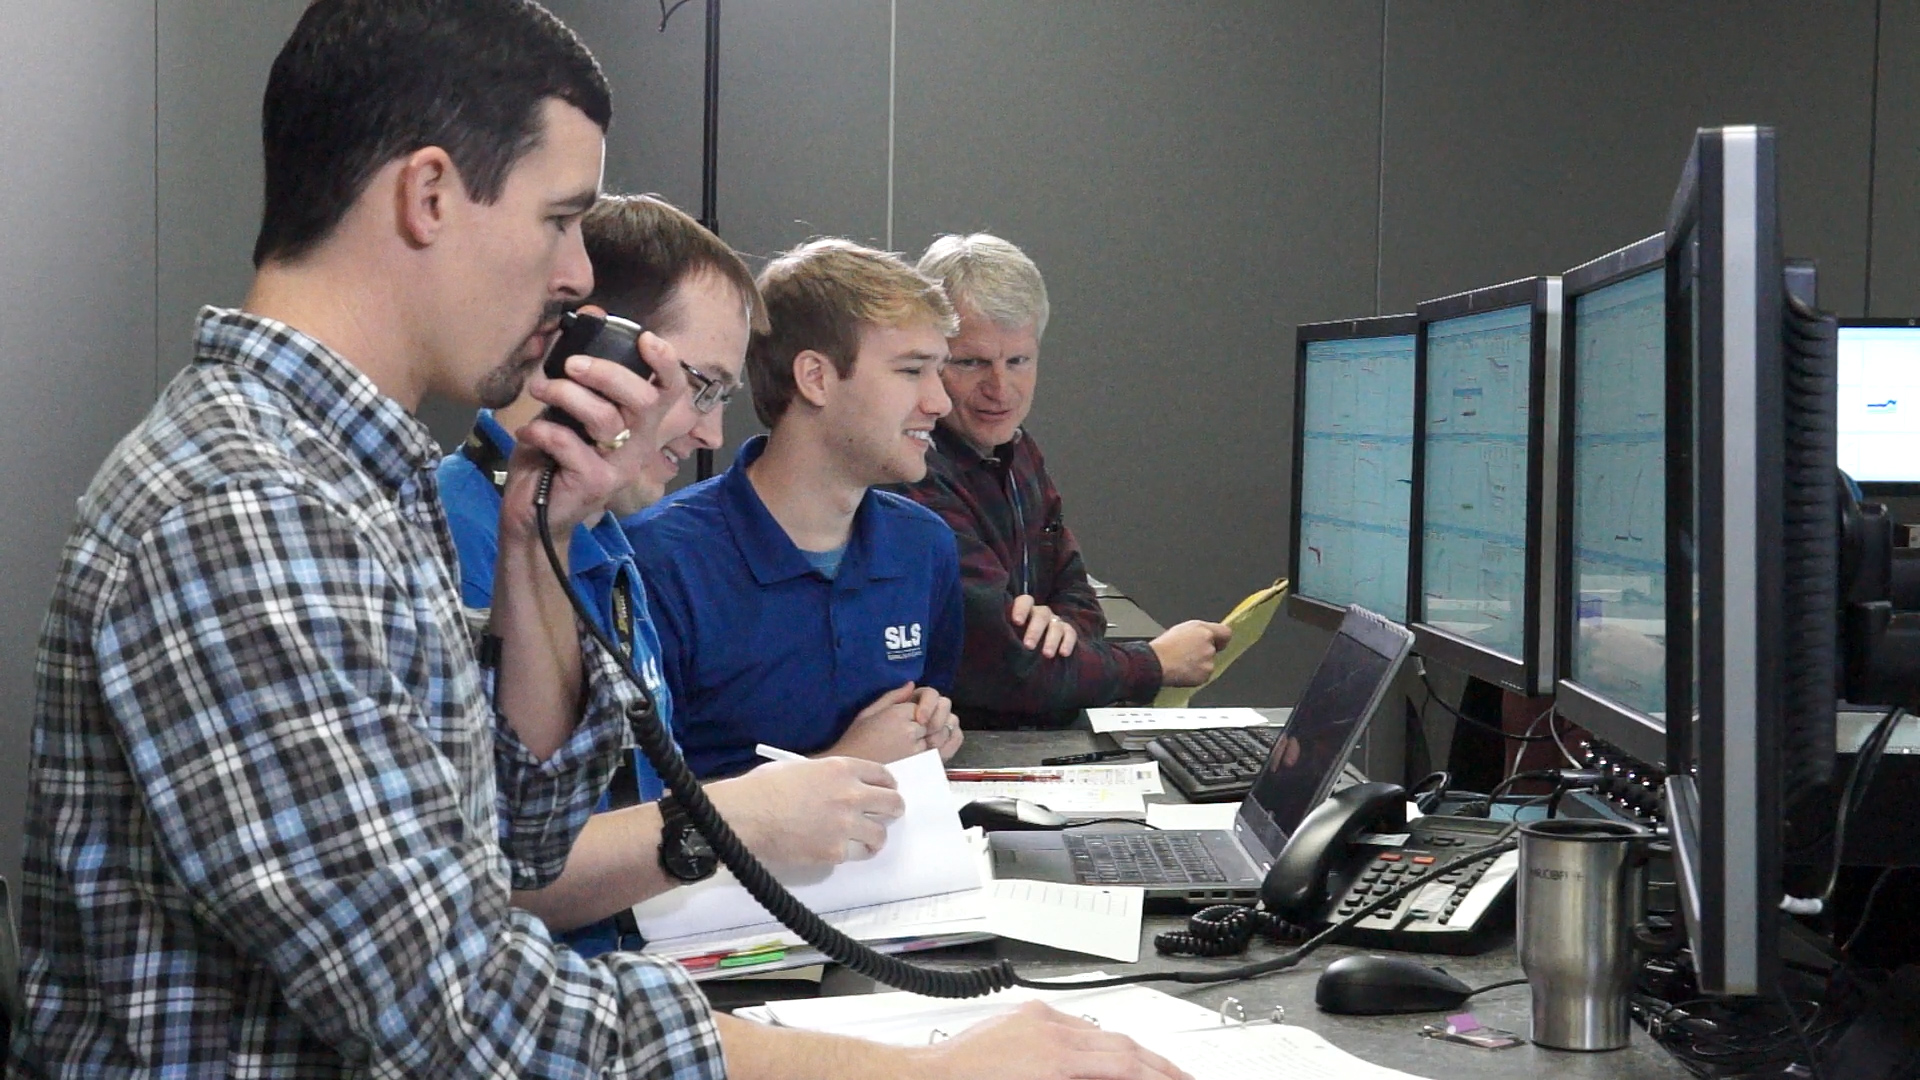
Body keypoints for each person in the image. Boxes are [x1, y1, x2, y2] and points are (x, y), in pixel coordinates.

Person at [7, 4, 1185, 1078]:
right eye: (560, 220)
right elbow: (461, 1011)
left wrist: (540, 552)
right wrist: (934, 1073)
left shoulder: (370, 485)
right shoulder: (250, 509)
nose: (576, 276)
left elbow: (514, 855)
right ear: (428, 195)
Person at [437, 193, 906, 955]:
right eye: (703, 386)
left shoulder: (610, 546)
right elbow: (492, 882)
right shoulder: (452, 545)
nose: (713, 431)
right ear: (595, 352)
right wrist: (737, 819)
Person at [628, 240, 968, 779]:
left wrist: (930, 725)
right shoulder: (658, 562)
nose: (940, 402)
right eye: (912, 371)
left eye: (939, 372)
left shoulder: (924, 547)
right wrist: (841, 767)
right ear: (816, 378)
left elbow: (925, 717)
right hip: (727, 864)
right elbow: (630, 814)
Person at [897, 233, 1231, 729]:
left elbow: (1077, 594)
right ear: (930, 358)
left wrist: (1059, 635)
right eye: (971, 362)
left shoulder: (1018, 449)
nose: (1000, 389)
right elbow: (1011, 668)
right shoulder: (911, 474)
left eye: (1018, 361)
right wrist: (1155, 663)